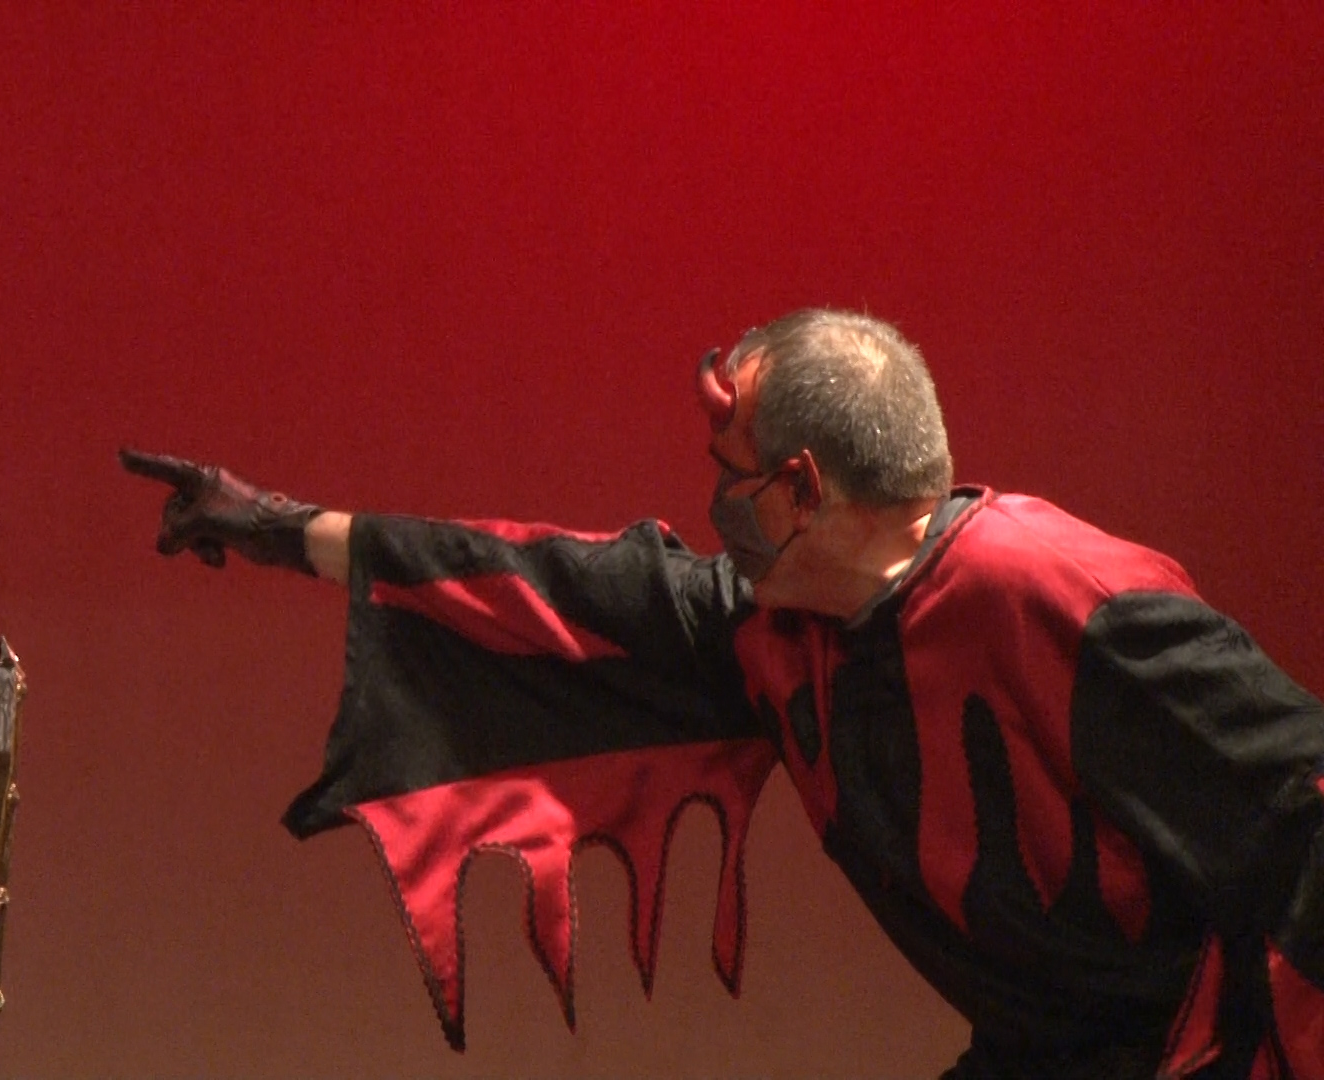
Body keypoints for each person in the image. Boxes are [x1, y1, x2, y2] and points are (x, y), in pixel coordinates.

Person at [122, 308, 1324, 1079]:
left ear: (800, 489)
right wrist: (276, 525)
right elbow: (557, 583)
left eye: (730, 474)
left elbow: (1306, 799)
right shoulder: (784, 629)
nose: (713, 503)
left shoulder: (1065, 599)